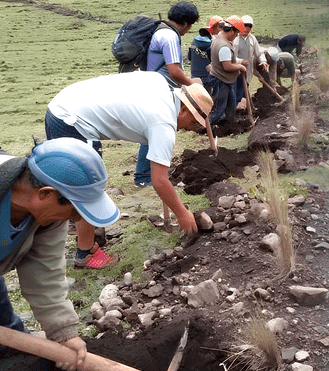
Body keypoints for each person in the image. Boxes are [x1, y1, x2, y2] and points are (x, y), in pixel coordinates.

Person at [45, 71, 213, 269]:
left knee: (76, 184)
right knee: (87, 186)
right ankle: (84, 253)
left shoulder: (160, 83)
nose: (187, 128)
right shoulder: (164, 122)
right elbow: (159, 180)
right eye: (192, 123)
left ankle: (81, 232)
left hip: (65, 102)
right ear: (184, 109)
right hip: (72, 120)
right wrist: (182, 214)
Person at [0, 138, 120, 370]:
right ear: (46, 193)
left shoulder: (48, 218)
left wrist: (63, 333)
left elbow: (44, 273)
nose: (76, 219)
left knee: (15, 350)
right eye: (75, 210)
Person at [136, 1, 200, 188]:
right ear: (187, 24)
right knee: (156, 133)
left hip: (155, 88)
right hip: (160, 91)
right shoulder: (170, 36)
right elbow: (174, 70)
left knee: (154, 133)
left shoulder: (160, 30)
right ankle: (144, 176)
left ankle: (149, 173)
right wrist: (192, 84)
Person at [206, 16, 247, 127]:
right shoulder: (223, 46)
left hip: (225, 79)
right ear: (232, 31)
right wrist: (240, 67)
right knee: (219, 107)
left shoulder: (218, 39)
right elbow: (227, 66)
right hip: (220, 80)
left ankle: (229, 126)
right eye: (237, 33)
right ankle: (212, 128)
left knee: (230, 105)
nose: (236, 36)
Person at [233, 15, 268, 109]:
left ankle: (245, 109)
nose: (245, 32)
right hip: (235, 72)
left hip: (248, 71)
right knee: (237, 93)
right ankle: (235, 112)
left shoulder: (252, 38)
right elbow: (231, 57)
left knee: (244, 89)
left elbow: (259, 52)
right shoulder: (234, 39)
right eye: (244, 29)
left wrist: (263, 61)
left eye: (248, 30)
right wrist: (240, 62)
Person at [188, 16, 223, 83]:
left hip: (195, 77)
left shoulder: (195, 40)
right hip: (209, 77)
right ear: (218, 27)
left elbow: (189, 57)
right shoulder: (212, 43)